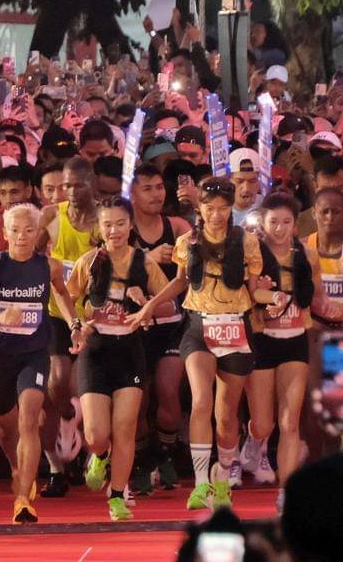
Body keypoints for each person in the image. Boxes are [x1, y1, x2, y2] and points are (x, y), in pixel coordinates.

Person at [126, 177, 282, 511]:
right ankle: (200, 484)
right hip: (199, 325)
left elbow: (254, 291)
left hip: (235, 326)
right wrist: (150, 305)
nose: (216, 215)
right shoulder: (188, 242)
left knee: (226, 416)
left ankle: (222, 475)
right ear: (200, 208)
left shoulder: (247, 242)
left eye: (223, 208)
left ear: (230, 208)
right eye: (210, 208)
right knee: (200, 402)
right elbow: (180, 282)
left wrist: (274, 298)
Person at [0, 202, 84, 525]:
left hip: (34, 352)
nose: (21, 236)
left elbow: (62, 294)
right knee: (6, 426)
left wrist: (74, 324)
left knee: (29, 419)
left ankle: (23, 500)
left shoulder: (49, 266)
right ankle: (18, 468)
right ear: (5, 232)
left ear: (37, 233)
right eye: (15, 230)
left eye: (29, 230)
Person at [67, 197, 168, 521]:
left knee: (125, 429)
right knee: (97, 434)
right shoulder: (89, 262)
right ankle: (99, 456)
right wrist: (78, 324)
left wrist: (147, 303)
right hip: (96, 351)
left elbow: (170, 302)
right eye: (108, 224)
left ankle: (116, 495)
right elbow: (66, 296)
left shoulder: (144, 263)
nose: (114, 231)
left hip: (129, 351)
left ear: (130, 225)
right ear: (99, 228)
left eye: (121, 224)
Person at [242, 193, 343, 510]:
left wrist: (329, 306)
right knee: (263, 424)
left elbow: (317, 294)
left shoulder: (306, 254)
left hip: (296, 339)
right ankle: (254, 441)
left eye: (286, 222)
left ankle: (285, 492)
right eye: (274, 222)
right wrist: (267, 296)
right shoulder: (253, 252)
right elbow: (246, 292)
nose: (280, 228)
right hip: (262, 340)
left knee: (289, 423)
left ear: (295, 224)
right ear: (263, 222)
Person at [38, 156, 98, 497]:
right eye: (67, 185)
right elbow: (30, 256)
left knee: (83, 389)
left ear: (92, 183)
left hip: (93, 316)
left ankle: (92, 457)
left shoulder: (103, 221)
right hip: (56, 312)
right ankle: (56, 464)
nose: (72, 192)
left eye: (78, 185)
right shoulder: (51, 215)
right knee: (57, 383)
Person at [129, 162, 191, 492]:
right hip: (135, 326)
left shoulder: (177, 226)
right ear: (133, 194)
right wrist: (148, 257)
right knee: (137, 402)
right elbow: (109, 266)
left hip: (172, 324)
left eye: (159, 187)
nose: (156, 195)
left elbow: (200, 259)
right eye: (147, 189)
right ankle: (142, 460)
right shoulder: (123, 228)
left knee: (168, 392)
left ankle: (165, 454)